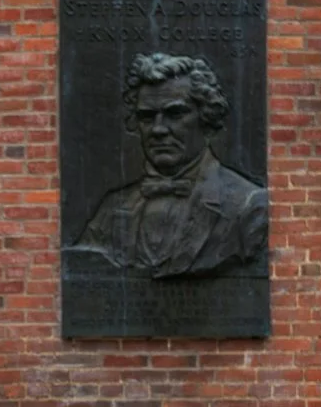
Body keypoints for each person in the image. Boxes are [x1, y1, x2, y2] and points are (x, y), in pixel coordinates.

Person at [69, 52, 268, 279]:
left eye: (175, 114)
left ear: (206, 117)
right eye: (147, 117)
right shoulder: (111, 210)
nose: (158, 129)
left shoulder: (248, 208)